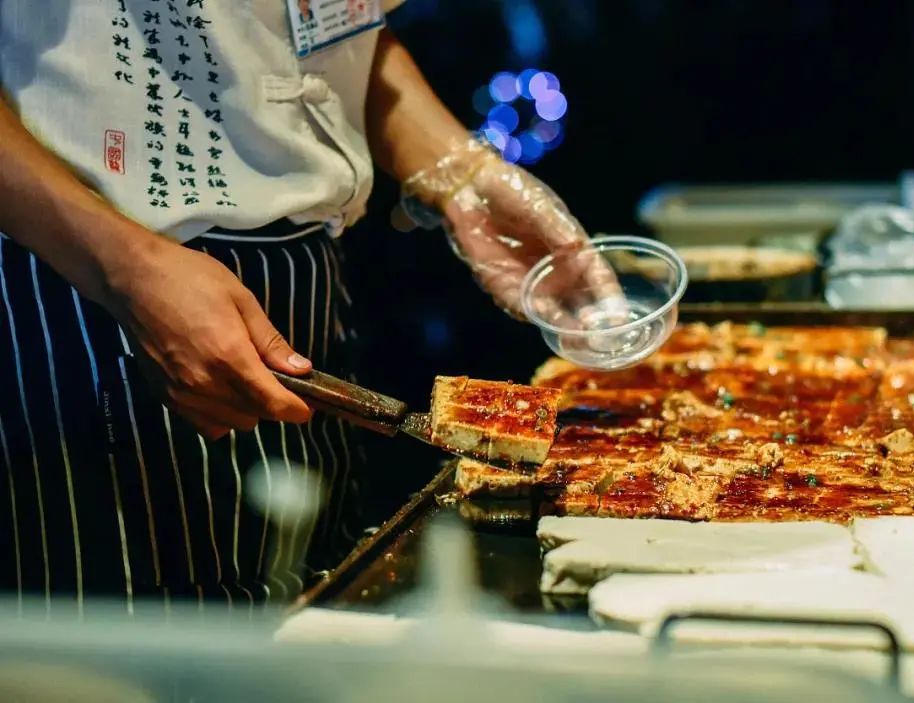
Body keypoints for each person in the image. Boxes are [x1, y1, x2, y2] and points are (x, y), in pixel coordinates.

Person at [0, 1, 615, 615]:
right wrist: (123, 266)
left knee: (310, 619)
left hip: (307, 272)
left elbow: (309, 32)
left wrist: (463, 174)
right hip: (84, 280)